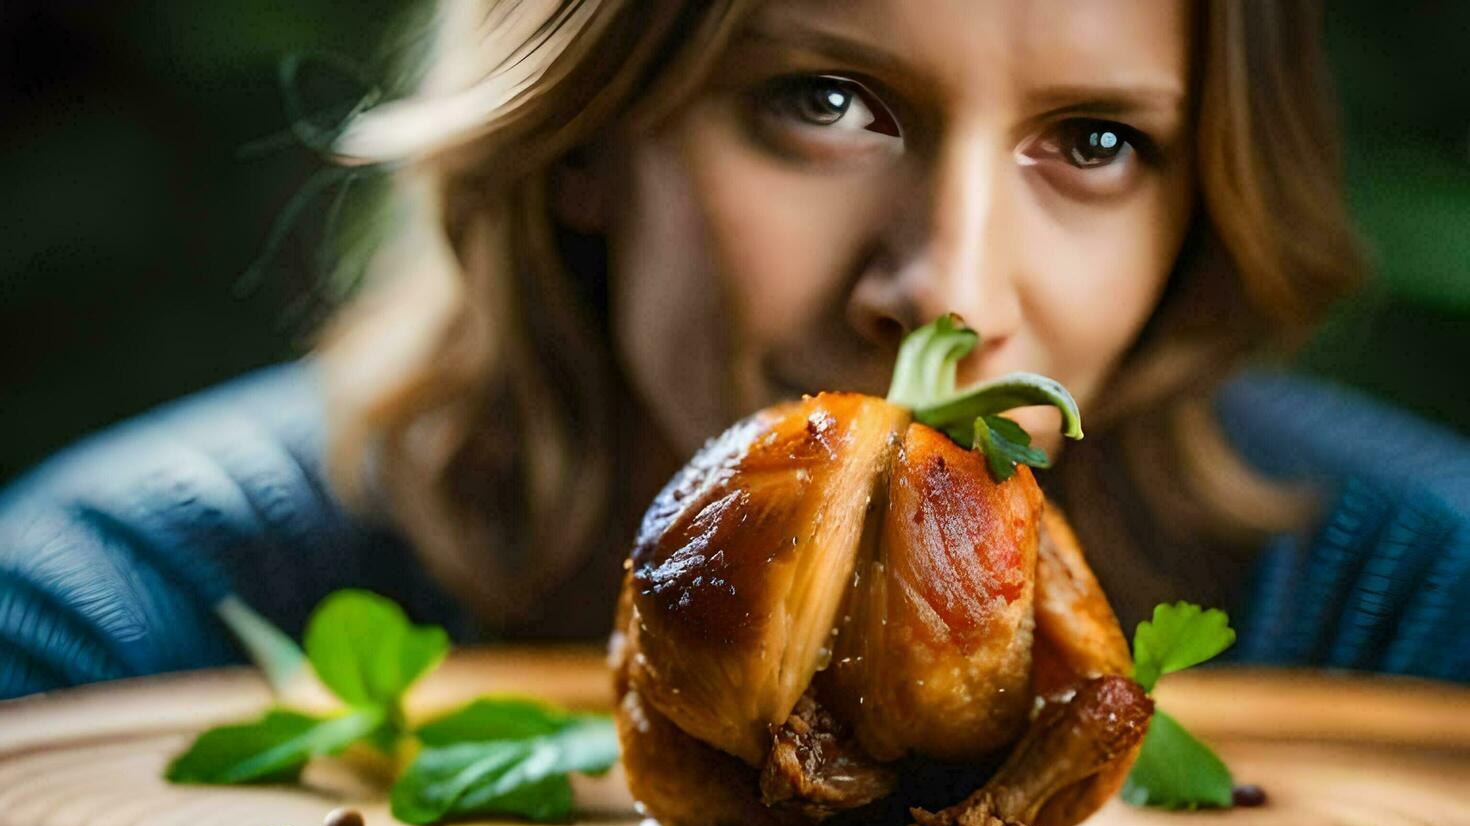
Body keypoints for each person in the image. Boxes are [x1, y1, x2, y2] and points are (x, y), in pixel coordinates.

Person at [2, 0, 1467, 699]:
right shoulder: (109, 615)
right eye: (824, 105)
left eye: (1093, 144)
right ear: (581, 133)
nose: (947, 290)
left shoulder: (1417, 610)